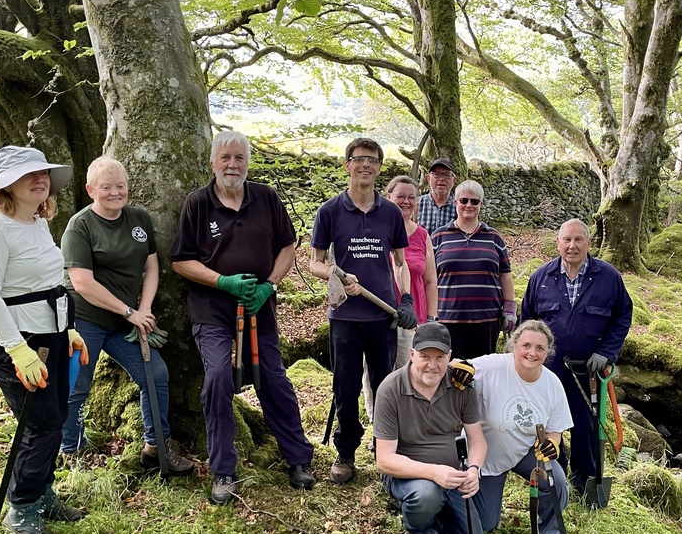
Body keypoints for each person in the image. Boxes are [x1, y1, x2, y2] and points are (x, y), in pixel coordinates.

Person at [170, 129, 315, 504]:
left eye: (239, 158)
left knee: (273, 377)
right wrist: (223, 281)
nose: (232, 165)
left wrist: (269, 285)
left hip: (258, 307)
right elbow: (181, 261)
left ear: (248, 163)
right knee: (218, 377)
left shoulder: (266, 198)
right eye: (225, 158)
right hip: (212, 310)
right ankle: (223, 470)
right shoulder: (197, 204)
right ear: (213, 163)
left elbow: (288, 246)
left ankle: (299, 458)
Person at [0, 146, 89, 534]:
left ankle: (41, 493)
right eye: (28, 175)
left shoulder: (37, 222)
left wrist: (67, 330)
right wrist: (18, 351)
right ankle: (22, 511)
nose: (41, 180)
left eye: (44, 174)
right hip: (14, 341)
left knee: (56, 417)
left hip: (50, 335)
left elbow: (46, 286)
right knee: (41, 425)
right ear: (7, 185)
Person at [59, 157, 193, 474]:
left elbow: (151, 266)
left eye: (120, 186)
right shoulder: (79, 226)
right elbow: (82, 283)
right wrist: (129, 311)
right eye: (106, 187)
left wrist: (144, 309)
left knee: (155, 375)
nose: (115, 193)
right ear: (91, 190)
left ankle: (155, 448)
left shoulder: (138, 219)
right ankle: (72, 453)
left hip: (126, 322)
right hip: (85, 320)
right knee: (77, 385)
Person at [308, 138, 417, 484]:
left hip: (382, 316)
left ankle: (386, 453)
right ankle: (346, 452)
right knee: (345, 387)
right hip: (344, 317)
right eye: (359, 159)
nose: (366, 165)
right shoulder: (330, 211)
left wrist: (406, 299)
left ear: (380, 168)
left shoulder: (391, 213)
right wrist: (337, 274)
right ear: (348, 165)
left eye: (372, 160)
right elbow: (314, 263)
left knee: (385, 387)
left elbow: (400, 263)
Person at [520, 219, 633, 493]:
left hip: (588, 371)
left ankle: (585, 485)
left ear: (589, 243)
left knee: (586, 428)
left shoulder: (608, 277)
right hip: (548, 370)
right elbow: (527, 322)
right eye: (567, 240)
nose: (572, 246)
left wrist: (606, 352)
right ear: (558, 243)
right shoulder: (541, 277)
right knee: (548, 425)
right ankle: (554, 478)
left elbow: (622, 316)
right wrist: (526, 360)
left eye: (578, 240)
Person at [374, 322, 488, 534]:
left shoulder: (461, 384)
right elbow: (384, 459)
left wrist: (473, 470)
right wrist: (434, 473)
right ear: (412, 354)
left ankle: (436, 514)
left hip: (453, 475)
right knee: (426, 494)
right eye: (425, 356)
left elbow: (477, 439)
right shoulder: (390, 389)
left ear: (450, 357)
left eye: (440, 357)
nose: (432, 365)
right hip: (408, 473)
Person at [466, 320, 572, 534]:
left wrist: (552, 445)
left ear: (547, 352)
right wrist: (461, 370)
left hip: (524, 450)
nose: (532, 353)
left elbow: (556, 430)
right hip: (486, 455)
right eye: (526, 345)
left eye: (540, 348)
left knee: (555, 481)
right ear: (514, 345)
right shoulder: (493, 365)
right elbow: (457, 367)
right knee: (486, 523)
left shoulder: (552, 384)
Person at [363, 175, 439, 418]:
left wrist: (432, 320)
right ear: (388, 198)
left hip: (412, 320)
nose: (406, 202)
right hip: (377, 316)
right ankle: (379, 425)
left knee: (411, 375)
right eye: (400, 196)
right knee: (377, 375)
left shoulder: (422, 235)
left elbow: (430, 280)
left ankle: (407, 426)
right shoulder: (374, 231)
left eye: (411, 197)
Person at [431, 179, 515, 359]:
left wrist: (509, 309)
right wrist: (429, 314)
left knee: (483, 372)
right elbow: (429, 278)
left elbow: (505, 275)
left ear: (481, 204)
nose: (469, 205)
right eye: (464, 200)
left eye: (474, 201)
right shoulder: (438, 237)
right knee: (449, 371)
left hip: (487, 321)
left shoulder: (494, 237)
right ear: (455, 202)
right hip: (447, 321)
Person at [417, 157, 458, 237]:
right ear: (428, 178)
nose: (442, 179)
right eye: (436, 174)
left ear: (454, 180)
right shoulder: (416, 204)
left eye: (447, 175)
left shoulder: (461, 206)